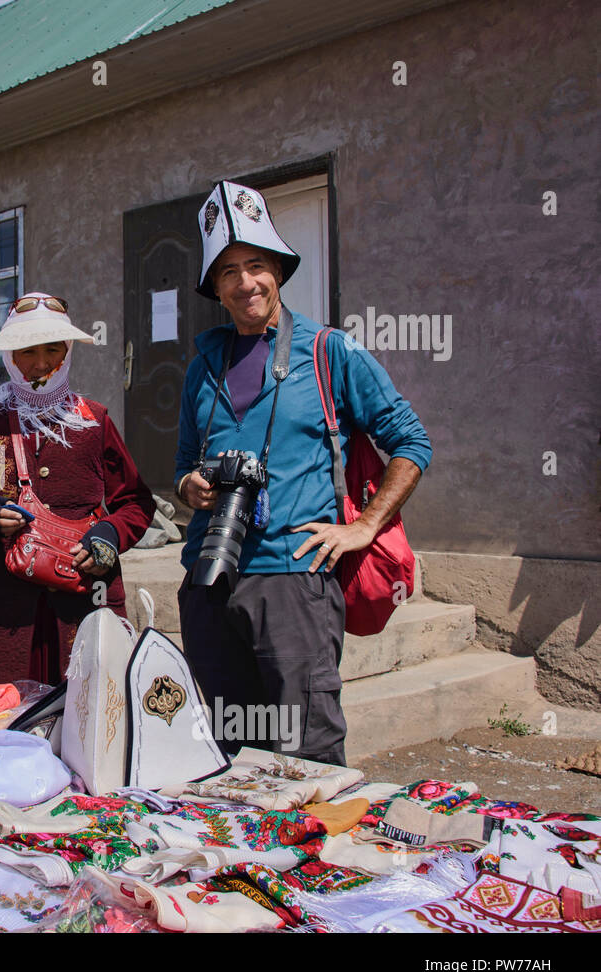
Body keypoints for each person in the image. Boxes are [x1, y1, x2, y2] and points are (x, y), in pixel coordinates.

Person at [174, 181, 432, 766]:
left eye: (257, 265)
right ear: (215, 287)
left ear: (280, 272)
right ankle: (247, 857)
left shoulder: (329, 351)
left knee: (305, 749)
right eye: (229, 271)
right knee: (225, 747)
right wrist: (191, 486)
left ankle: (313, 852)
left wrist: (363, 527)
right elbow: (183, 466)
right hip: (208, 579)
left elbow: (411, 442)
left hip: (294, 580)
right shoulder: (202, 365)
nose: (246, 283)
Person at [0, 293, 154, 683]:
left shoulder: (94, 421)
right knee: (1, 727)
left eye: (53, 349)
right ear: (9, 357)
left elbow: (135, 503)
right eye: (27, 351)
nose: (41, 364)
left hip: (83, 602)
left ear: (67, 352)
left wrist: (108, 534)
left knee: (87, 725)